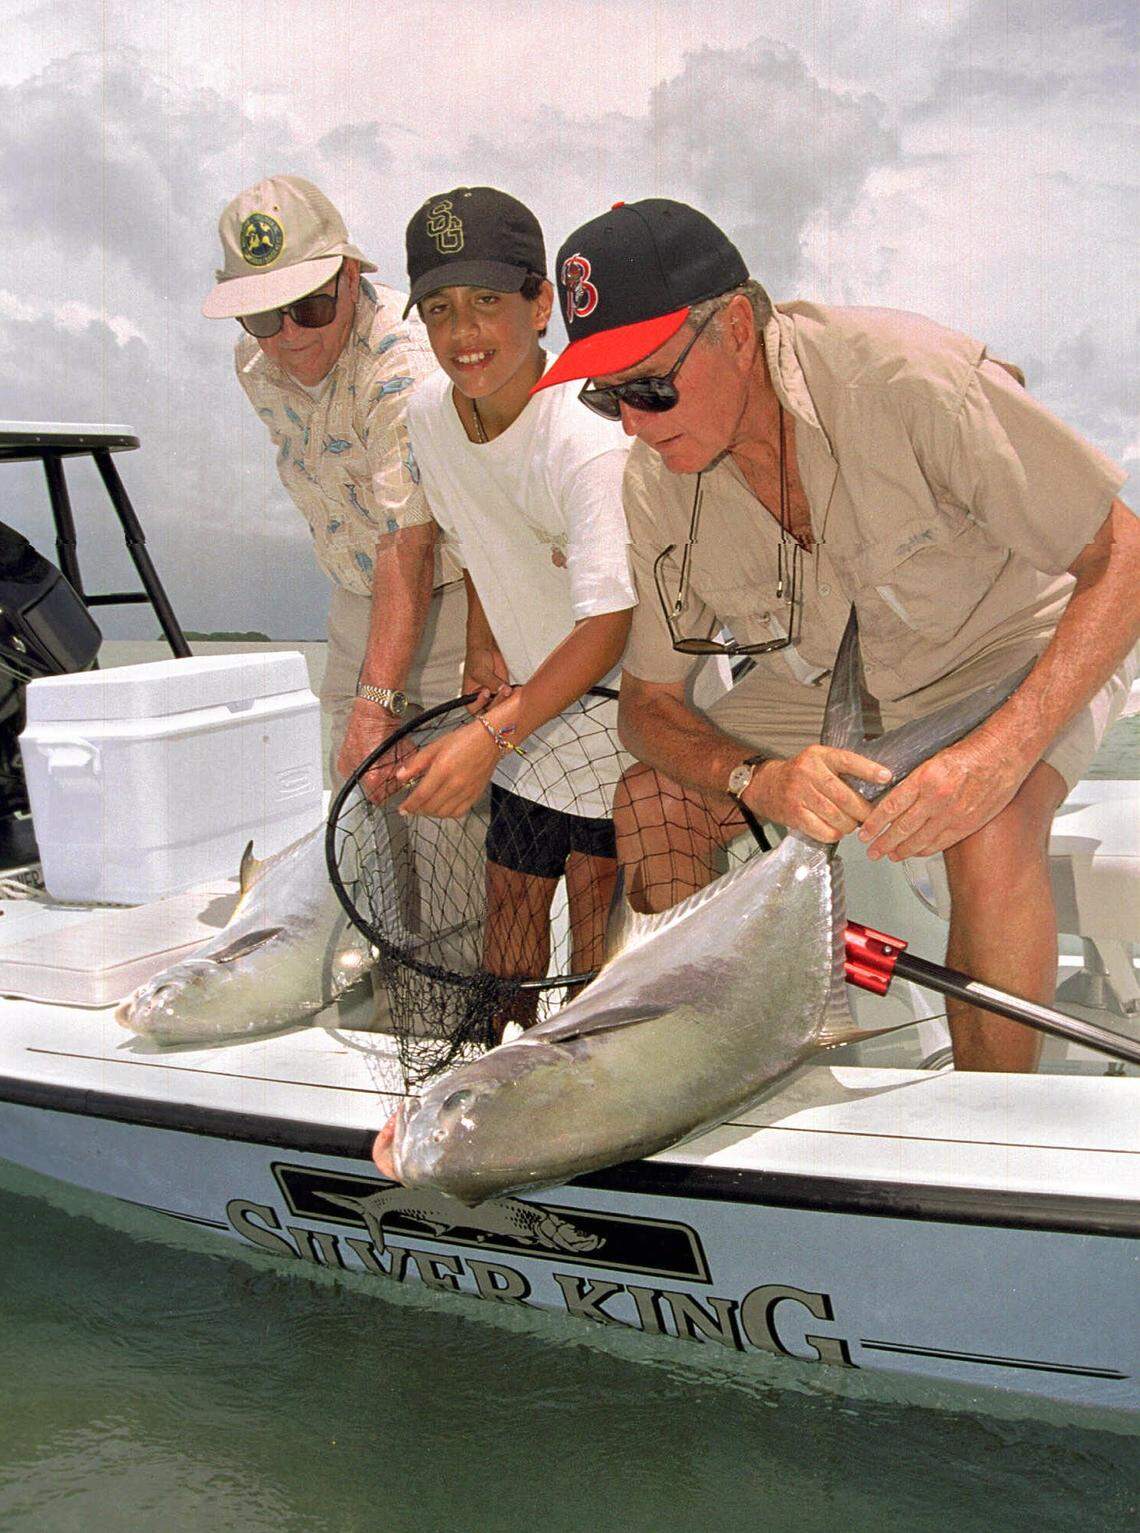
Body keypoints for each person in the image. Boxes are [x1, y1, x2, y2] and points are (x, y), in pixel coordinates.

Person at [532, 197, 1140, 1073]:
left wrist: (998, 756)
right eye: (606, 397)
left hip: (1018, 643)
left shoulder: (907, 378)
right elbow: (648, 704)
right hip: (837, 685)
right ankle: (724, 1071)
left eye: (650, 384)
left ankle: (988, 1125)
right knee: (652, 800)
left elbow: (1122, 556)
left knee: (991, 824)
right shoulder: (657, 480)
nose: (634, 421)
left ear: (737, 328)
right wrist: (757, 778)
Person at [365, 185, 637, 1031]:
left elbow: (609, 625)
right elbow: (475, 531)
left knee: (596, 971)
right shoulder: (427, 416)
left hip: (621, 722)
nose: (464, 333)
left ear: (542, 303)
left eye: (489, 302)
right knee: (508, 951)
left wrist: (488, 736)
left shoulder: (587, 438)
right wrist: (483, 648)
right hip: (525, 716)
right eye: (440, 309)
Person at [200, 174, 466, 781]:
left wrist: (376, 711)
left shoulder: (405, 365)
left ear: (349, 277)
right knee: (359, 808)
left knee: (447, 822)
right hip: (356, 602)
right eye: (262, 315)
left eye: (310, 307)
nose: (289, 335)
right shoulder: (254, 361)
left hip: (454, 603)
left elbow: (410, 538)